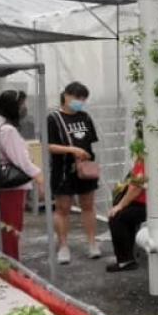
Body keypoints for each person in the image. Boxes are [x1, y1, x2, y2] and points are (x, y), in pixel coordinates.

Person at [107, 130, 158, 273]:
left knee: (117, 217)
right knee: (127, 211)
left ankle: (125, 261)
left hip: (154, 205)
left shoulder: (147, 156)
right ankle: (129, 253)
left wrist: (120, 206)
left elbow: (136, 187)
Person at [0, 90, 44, 263]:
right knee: (11, 228)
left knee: (4, 226)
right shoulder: (7, 130)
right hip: (8, 186)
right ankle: (10, 268)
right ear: (13, 106)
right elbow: (21, 160)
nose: (24, 108)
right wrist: (39, 177)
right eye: (22, 104)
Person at [47, 81, 101, 265]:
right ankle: (63, 246)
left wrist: (84, 155)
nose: (80, 102)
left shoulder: (84, 117)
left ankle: (92, 243)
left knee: (88, 205)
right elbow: (49, 146)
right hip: (63, 171)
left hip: (85, 169)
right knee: (63, 209)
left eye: (84, 99)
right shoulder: (53, 118)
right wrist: (71, 150)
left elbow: (90, 141)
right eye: (78, 97)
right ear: (66, 95)